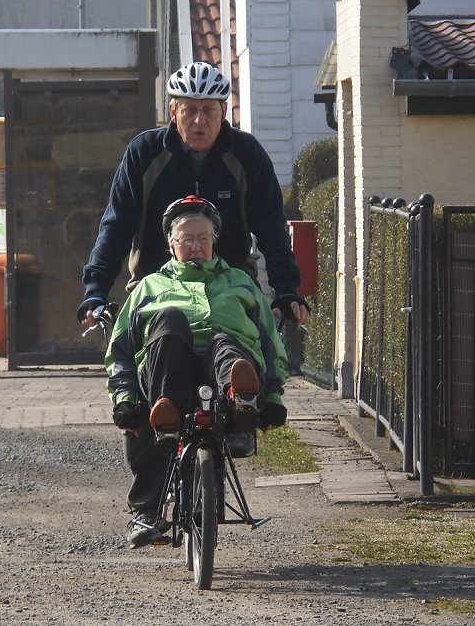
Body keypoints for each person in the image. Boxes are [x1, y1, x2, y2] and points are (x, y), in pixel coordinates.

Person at [105, 196, 289, 548]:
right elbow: (121, 350)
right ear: (171, 244)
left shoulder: (241, 281)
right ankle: (167, 414)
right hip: (166, 369)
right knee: (170, 320)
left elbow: (271, 345)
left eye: (203, 238)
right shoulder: (149, 287)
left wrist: (274, 396)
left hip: (224, 366)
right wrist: (125, 398)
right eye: (186, 239)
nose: (195, 246)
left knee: (226, 341)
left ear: (214, 241)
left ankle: (242, 399)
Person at [78, 61, 309, 329]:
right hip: (158, 289)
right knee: (150, 348)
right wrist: (96, 289)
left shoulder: (247, 154)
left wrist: (286, 289)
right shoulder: (144, 153)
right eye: (190, 110)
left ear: (223, 112)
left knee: (254, 354)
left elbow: (271, 228)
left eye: (209, 110)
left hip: (230, 287)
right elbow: (116, 226)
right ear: (173, 112)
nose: (200, 120)